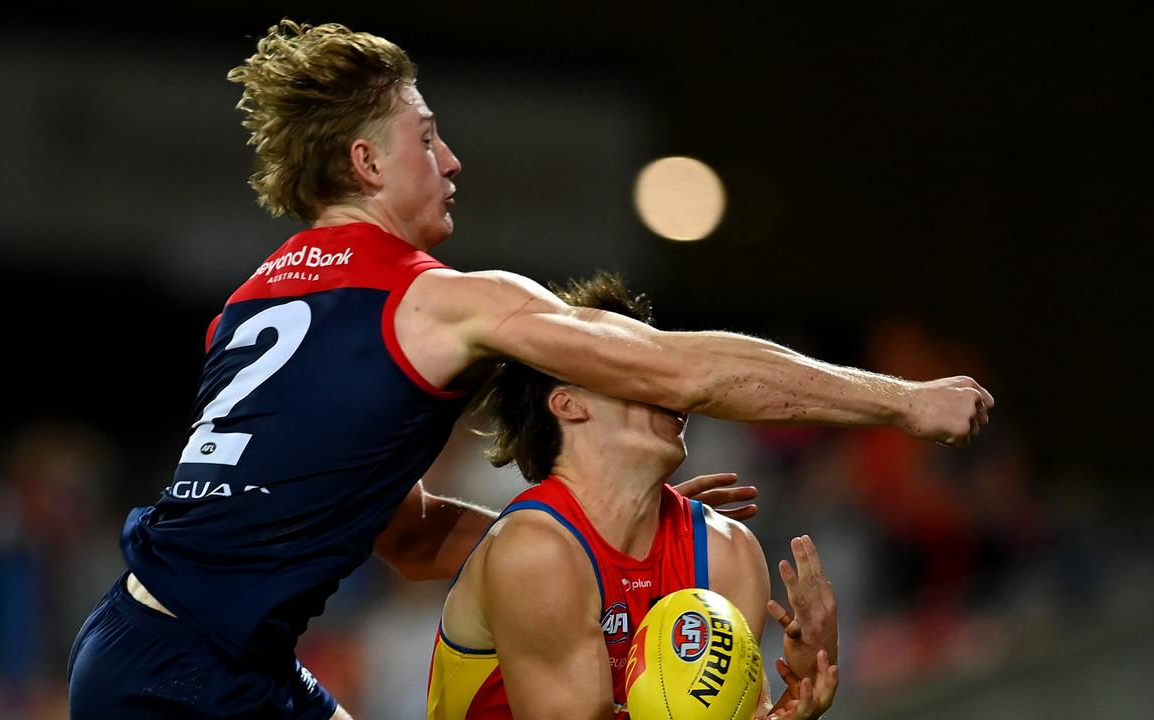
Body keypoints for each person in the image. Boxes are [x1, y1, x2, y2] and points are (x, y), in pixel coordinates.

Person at [66, 20, 992, 720]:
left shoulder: (255, 303)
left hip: (177, 651)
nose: (451, 159)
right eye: (427, 138)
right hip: (186, 670)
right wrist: (902, 403)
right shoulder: (431, 301)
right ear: (365, 161)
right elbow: (683, 372)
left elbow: (409, 536)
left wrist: (601, 542)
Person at [427, 274, 838, 720]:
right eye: (637, 369)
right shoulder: (536, 551)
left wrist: (790, 707)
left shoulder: (727, 551)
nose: (674, 386)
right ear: (567, 404)